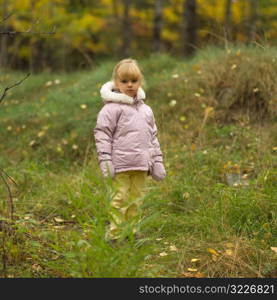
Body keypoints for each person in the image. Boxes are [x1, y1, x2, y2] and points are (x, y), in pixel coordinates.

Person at [94, 58, 166, 241]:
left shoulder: (146, 110)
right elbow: (102, 135)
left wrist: (157, 161)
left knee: (136, 200)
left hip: (141, 165)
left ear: (139, 82)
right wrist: (106, 161)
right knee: (119, 200)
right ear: (116, 83)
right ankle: (114, 235)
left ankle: (132, 232)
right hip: (120, 166)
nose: (129, 85)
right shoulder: (111, 109)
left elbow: (153, 138)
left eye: (134, 81)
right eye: (124, 81)